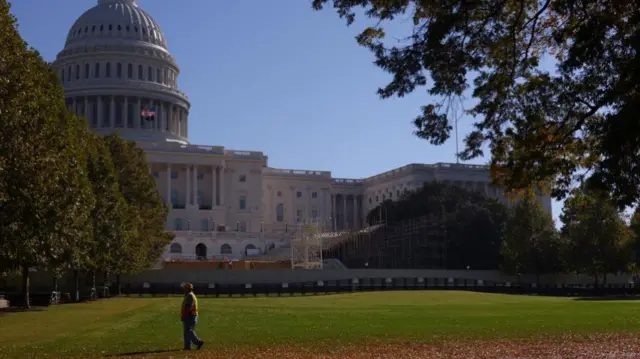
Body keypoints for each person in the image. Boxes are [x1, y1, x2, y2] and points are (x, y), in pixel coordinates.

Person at [181, 283, 204, 351]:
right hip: (191, 315)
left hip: (190, 315)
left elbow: (188, 307)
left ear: (187, 289)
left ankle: (198, 342)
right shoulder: (190, 295)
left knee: (188, 331)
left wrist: (184, 315)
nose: (184, 290)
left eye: (185, 288)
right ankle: (187, 347)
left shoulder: (189, 296)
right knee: (187, 332)